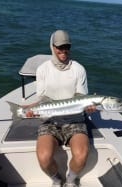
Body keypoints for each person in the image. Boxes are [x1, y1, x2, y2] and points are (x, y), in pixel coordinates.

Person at [29, 30, 95, 187]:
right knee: (44, 157)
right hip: (50, 120)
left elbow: (81, 96)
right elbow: (43, 98)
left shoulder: (79, 69)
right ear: (52, 47)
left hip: (75, 119)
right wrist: (35, 110)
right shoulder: (43, 69)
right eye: (59, 47)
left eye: (66, 47)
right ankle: (57, 180)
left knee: (82, 154)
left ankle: (71, 180)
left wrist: (88, 106)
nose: (63, 51)